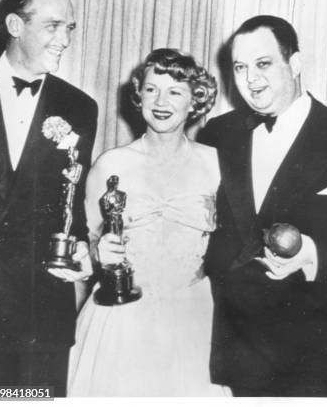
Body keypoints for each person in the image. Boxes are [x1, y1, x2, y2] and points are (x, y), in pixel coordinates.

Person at [197, 15, 327, 397]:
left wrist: (317, 254)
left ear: (295, 64)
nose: (251, 80)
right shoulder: (217, 134)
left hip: (311, 357)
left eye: (263, 64)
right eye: (240, 67)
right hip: (231, 353)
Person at [67, 49, 225, 396]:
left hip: (193, 318)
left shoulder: (216, 165)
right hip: (122, 319)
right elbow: (86, 244)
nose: (161, 101)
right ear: (138, 96)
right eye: (152, 89)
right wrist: (98, 252)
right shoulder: (111, 165)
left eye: (175, 91)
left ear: (195, 99)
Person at [0, 0, 97, 397]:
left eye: (69, 28)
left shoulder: (80, 108)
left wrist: (82, 248)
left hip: (40, 309)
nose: (64, 39)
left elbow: (71, 200)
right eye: (53, 26)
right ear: (15, 26)